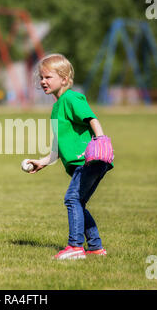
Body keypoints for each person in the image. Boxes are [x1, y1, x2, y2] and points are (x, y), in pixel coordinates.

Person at [28, 53, 114, 260]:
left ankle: (75, 247)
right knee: (78, 202)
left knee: (72, 199)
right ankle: (95, 247)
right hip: (79, 164)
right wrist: (43, 161)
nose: (43, 81)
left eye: (48, 77)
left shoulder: (71, 98)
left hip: (89, 160)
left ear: (64, 79)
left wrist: (101, 140)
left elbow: (91, 118)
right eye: (41, 77)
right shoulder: (57, 107)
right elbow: (59, 145)